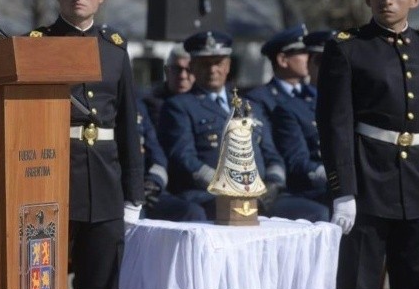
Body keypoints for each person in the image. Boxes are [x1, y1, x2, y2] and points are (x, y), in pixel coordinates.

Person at [317, 0, 419, 289]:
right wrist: (342, 190)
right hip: (367, 187)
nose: (386, 0)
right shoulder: (347, 49)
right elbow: (335, 126)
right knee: (359, 283)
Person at [27, 0, 144, 289]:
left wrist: (133, 194)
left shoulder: (115, 48)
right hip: (50, 180)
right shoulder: (37, 45)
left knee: (102, 283)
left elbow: (127, 123)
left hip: (105, 186)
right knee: (40, 281)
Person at [157, 31, 286, 221]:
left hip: (261, 195)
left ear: (228, 66)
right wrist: (231, 186)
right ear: (192, 66)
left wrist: (274, 184)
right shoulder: (180, 106)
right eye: (205, 64)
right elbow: (184, 158)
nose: (212, 70)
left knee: (304, 212)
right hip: (209, 195)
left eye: (217, 63)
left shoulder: (249, 106)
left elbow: (272, 154)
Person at [244, 25, 329, 222]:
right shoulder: (259, 99)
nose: (309, 58)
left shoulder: (312, 96)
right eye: (303, 53)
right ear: (283, 60)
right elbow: (267, 145)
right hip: (289, 182)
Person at [136, 98, 206, 222]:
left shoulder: (137, 105)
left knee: (192, 213)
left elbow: (157, 157)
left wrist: (153, 183)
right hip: (120, 194)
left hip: (147, 191)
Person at [140, 43, 195, 126]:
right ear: (166, 71)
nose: (183, 76)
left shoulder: (206, 100)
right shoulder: (150, 102)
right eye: (177, 69)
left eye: (189, 70)